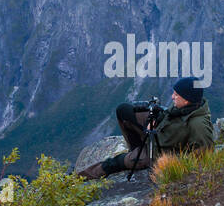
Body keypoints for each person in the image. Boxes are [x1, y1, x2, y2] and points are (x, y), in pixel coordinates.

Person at [80, 76, 214, 179]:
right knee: (124, 110)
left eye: (176, 95)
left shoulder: (198, 125)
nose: (172, 97)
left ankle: (81, 177)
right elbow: (170, 114)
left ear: (187, 100)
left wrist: (170, 163)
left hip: (157, 153)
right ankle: (135, 149)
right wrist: (157, 117)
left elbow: (204, 157)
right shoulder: (183, 105)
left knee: (115, 163)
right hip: (157, 133)